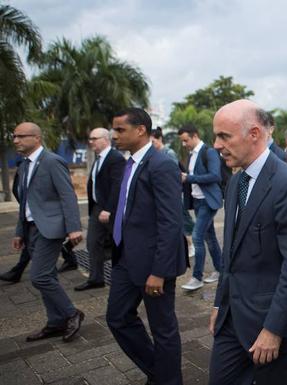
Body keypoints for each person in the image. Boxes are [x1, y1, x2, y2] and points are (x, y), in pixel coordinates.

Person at [208, 100, 287, 385]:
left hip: (270, 328)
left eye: (224, 136)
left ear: (254, 134)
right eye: (216, 136)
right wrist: (220, 304)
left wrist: (274, 329)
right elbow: (230, 254)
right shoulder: (235, 182)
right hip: (231, 320)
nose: (216, 145)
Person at [106, 108, 187, 385]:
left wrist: (159, 271)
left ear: (140, 130)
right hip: (125, 258)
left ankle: (168, 380)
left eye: (119, 130)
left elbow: (170, 221)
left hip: (154, 264)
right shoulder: (128, 163)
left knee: (163, 329)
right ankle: (160, 373)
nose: (114, 136)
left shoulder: (161, 163)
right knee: (117, 318)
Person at [11, 122, 84, 342]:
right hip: (31, 228)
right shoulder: (24, 165)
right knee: (48, 275)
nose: (15, 140)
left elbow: (67, 196)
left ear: (36, 138)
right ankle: (55, 322)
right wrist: (19, 231)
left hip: (50, 228)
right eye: (14, 136)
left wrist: (73, 228)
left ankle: (72, 313)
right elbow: (24, 201)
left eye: (21, 136)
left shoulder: (52, 161)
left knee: (39, 276)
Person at [73, 128, 124, 291]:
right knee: (92, 243)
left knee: (121, 243)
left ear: (105, 139)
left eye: (94, 138)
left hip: (111, 210)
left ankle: (126, 277)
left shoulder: (115, 158)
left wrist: (108, 209)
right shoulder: (98, 159)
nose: (91, 142)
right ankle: (96, 278)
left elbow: (118, 185)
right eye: (90, 139)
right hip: (97, 208)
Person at [178, 124, 223, 290]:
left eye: (186, 140)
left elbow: (215, 175)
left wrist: (188, 178)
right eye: (182, 141)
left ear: (195, 135)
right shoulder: (192, 154)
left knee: (197, 237)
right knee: (209, 237)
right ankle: (219, 269)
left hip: (208, 201)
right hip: (197, 201)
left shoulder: (209, 152)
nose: (184, 144)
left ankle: (197, 277)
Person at [151, 126, 196, 257]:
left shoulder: (168, 153)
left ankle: (191, 245)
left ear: (159, 139)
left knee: (183, 221)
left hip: (173, 194)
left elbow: (172, 175)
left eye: (153, 141)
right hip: (165, 194)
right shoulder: (156, 154)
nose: (152, 145)